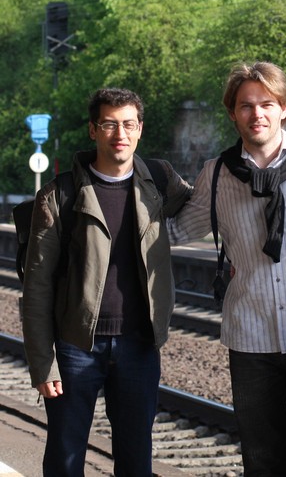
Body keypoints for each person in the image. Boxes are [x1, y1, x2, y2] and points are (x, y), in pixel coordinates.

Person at [166, 61, 286, 476]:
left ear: (284, 109)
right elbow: (176, 230)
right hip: (250, 338)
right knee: (261, 460)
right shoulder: (217, 174)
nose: (257, 114)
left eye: (267, 104)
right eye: (246, 105)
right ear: (232, 113)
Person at [21, 87, 193, 476]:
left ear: (140, 129)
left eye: (128, 124)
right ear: (93, 129)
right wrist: (42, 363)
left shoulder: (160, 182)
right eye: (110, 124)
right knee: (65, 459)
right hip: (76, 346)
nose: (120, 134)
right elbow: (37, 287)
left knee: (136, 460)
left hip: (139, 345)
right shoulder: (60, 194)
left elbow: (206, 208)